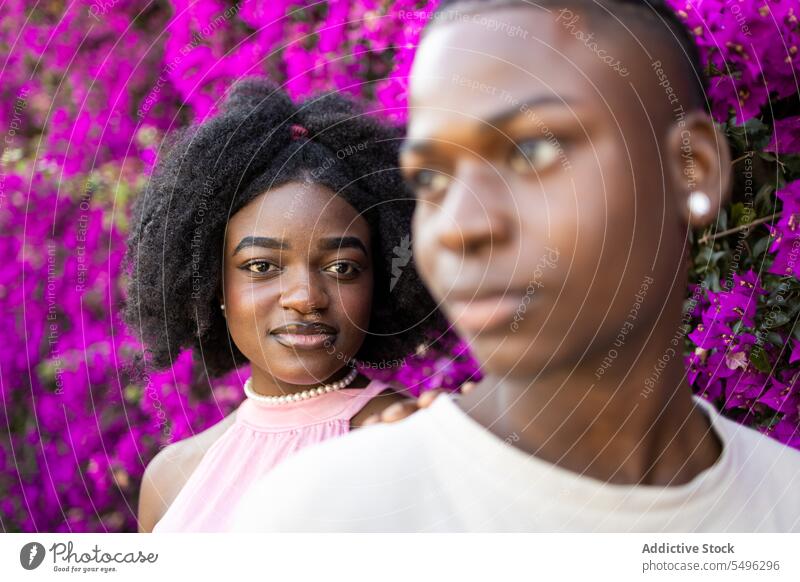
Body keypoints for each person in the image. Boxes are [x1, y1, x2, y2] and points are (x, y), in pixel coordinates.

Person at [230, 0, 800, 532]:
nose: (458, 224)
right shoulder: (317, 525)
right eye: (431, 179)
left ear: (691, 171)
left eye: (532, 152)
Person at [125, 78, 445, 532]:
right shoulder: (170, 478)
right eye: (260, 267)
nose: (305, 297)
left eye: (342, 268)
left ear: (382, 283)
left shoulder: (408, 446)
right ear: (214, 286)